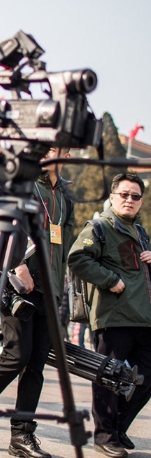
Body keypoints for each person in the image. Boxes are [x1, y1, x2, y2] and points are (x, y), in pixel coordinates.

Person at [0, 147, 74, 458]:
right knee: (16, 354)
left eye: (58, 149)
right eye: (47, 148)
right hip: (19, 285)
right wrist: (14, 266)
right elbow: (0, 228)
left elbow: (65, 243)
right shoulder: (22, 184)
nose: (52, 154)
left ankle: (21, 436)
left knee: (36, 363)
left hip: (51, 290)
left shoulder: (63, 195)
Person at [68, 173, 151, 458]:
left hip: (143, 316)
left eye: (135, 196)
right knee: (108, 377)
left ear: (141, 202)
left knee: (147, 375)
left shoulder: (140, 232)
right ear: (113, 197)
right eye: (124, 194)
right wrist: (109, 280)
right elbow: (77, 258)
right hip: (113, 316)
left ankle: (117, 427)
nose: (130, 200)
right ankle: (105, 436)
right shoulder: (100, 226)